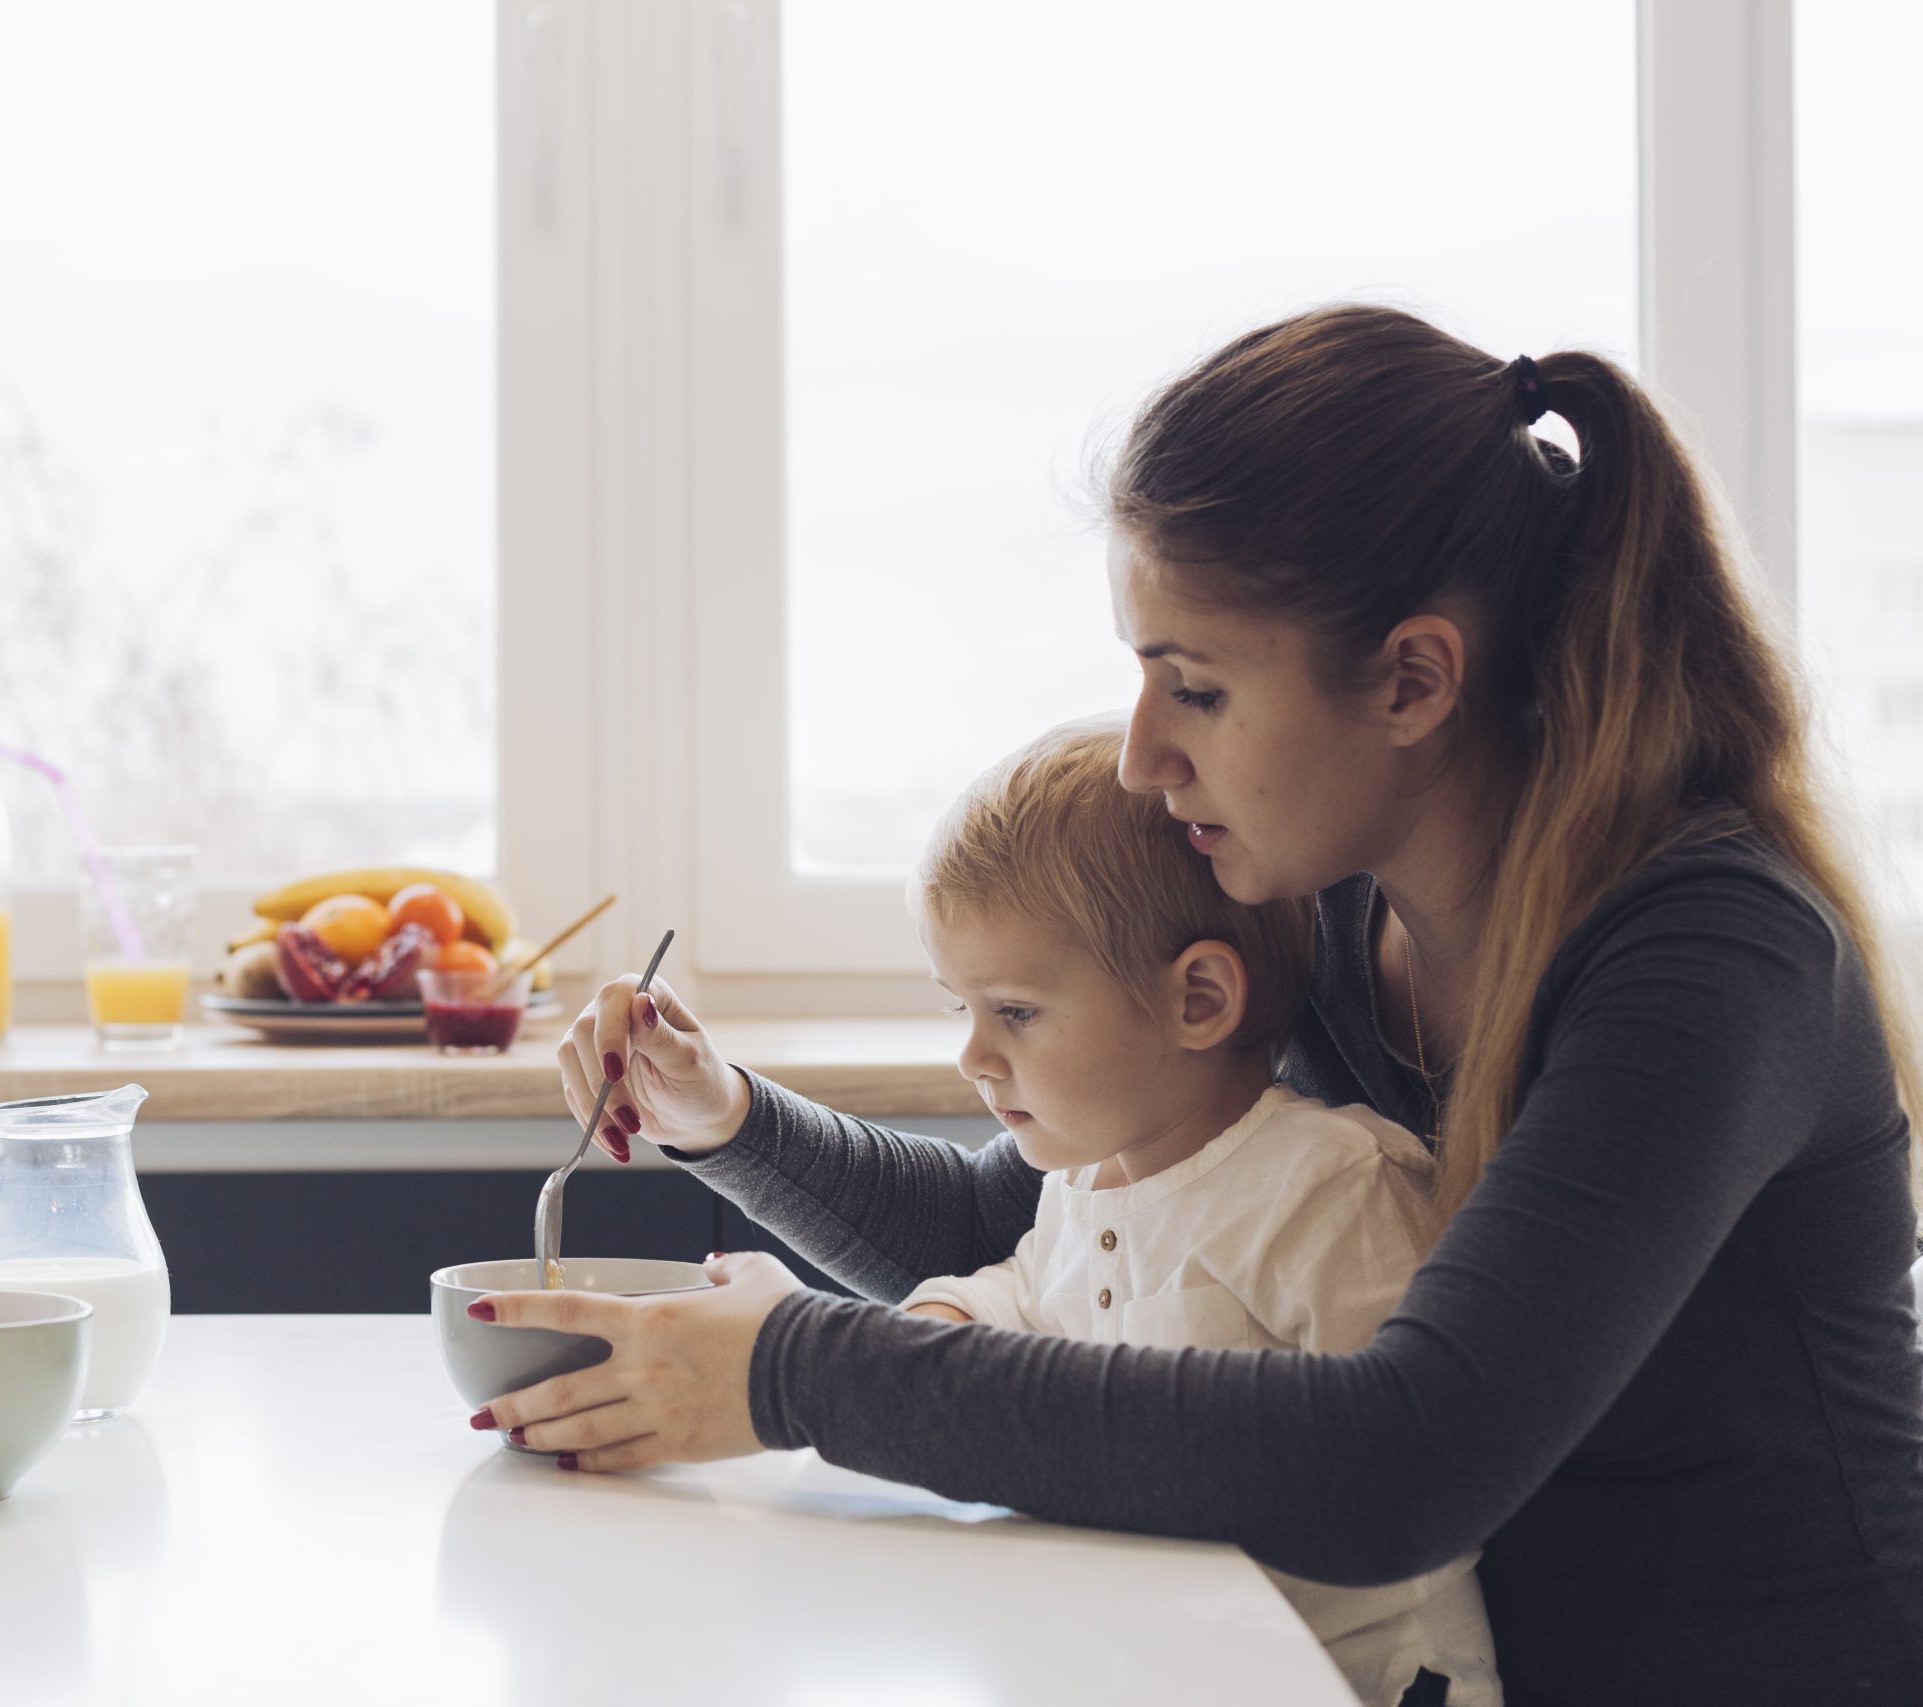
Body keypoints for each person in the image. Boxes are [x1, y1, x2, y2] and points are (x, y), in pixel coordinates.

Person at [467, 307, 1923, 1705]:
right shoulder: (1341, 918)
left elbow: (1401, 1458)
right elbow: (1029, 1228)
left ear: (1415, 677)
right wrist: (724, 1122)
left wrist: (793, 1370)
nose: (1142, 755)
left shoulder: (1711, 958)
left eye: (1198, 687)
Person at [896, 722, 1499, 1705]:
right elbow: (1031, 1292)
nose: (973, 1055)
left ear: (1200, 998)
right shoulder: (1080, 1182)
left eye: (1013, 1011)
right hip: (1162, 1661)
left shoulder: (1328, 1188)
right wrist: (952, 1321)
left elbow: (1407, 1471)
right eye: (957, 1008)